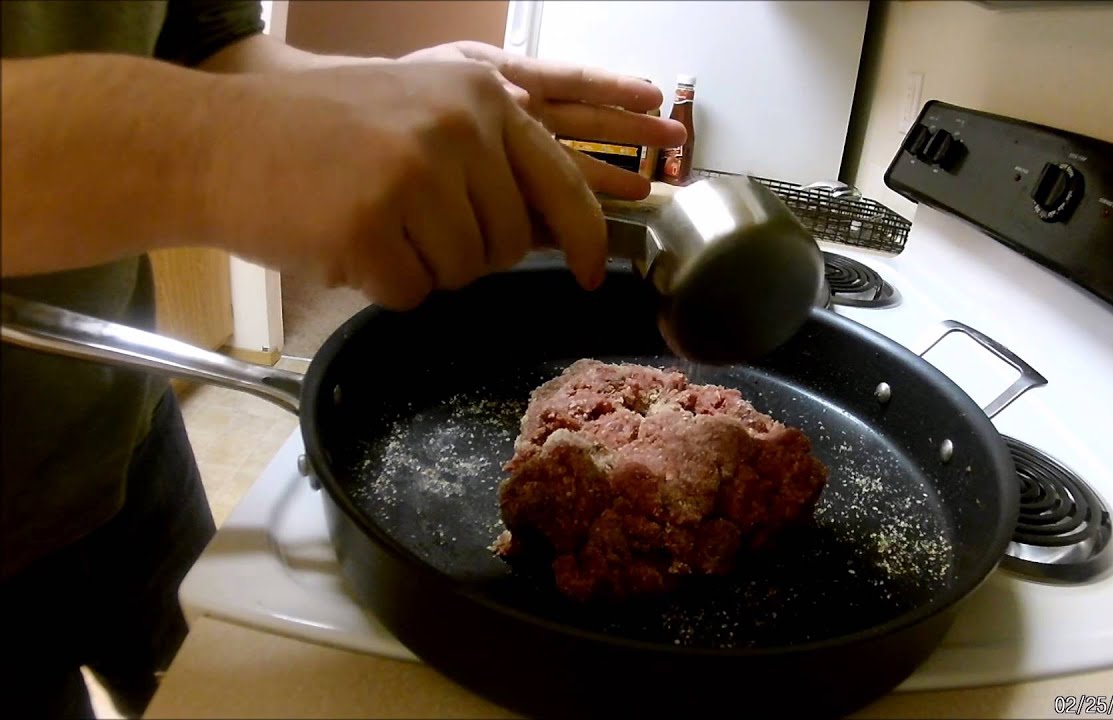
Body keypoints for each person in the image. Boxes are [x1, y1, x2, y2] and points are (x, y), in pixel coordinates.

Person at [0, 1, 686, 717]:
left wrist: (370, 93)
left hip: (120, 421)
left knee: (205, 688)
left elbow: (202, 36)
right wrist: (224, 144)